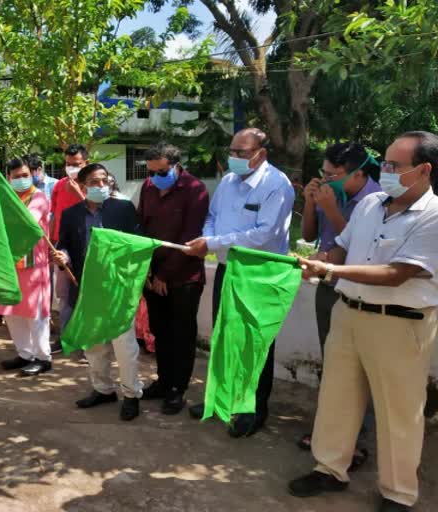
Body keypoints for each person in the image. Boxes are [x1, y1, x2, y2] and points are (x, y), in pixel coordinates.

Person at [288, 131, 438, 512]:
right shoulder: (372, 202)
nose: (384, 171)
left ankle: (398, 493)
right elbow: (342, 242)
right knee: (336, 397)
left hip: (399, 324)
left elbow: (396, 273)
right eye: (384, 163)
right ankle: (329, 468)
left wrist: (329, 268)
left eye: (394, 166)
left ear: (424, 170)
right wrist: (324, 259)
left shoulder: (433, 216)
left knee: (398, 412)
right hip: (349, 313)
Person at [186, 127, 295, 437]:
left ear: (261, 153)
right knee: (225, 338)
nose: (233, 157)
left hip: (259, 274)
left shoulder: (277, 185)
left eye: (241, 153)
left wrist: (214, 242)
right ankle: (221, 401)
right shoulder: (229, 182)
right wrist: (209, 238)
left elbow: (264, 234)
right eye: (232, 151)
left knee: (255, 345)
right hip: (227, 270)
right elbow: (212, 216)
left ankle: (253, 410)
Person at [298, 142, 382, 463]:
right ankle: (331, 431)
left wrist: (332, 210)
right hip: (330, 287)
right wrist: (310, 203)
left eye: (334, 174)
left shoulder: (376, 201)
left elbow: (361, 246)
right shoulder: (327, 193)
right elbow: (308, 236)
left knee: (364, 370)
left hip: (364, 292)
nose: (327, 179)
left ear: (359, 173)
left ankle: (358, 440)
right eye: (324, 172)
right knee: (334, 365)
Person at [52, 163, 144, 421]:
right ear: (82, 187)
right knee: (94, 347)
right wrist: (63, 255)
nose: (101, 185)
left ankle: (131, 395)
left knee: (124, 348)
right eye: (94, 181)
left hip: (118, 290)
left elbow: (138, 243)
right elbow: (66, 244)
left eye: (105, 180)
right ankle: (103, 390)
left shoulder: (123, 209)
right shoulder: (71, 214)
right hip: (87, 290)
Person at [138, 143, 209, 415]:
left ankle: (177, 389)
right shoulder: (148, 187)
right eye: (152, 171)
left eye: (162, 170)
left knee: (181, 335)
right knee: (160, 331)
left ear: (177, 165)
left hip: (183, 277)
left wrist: (165, 275)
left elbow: (191, 237)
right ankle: (163, 381)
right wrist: (149, 272)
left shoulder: (195, 189)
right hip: (154, 275)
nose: (156, 176)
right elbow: (142, 228)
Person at [0, 158, 53, 377]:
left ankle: (43, 357)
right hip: (8, 263)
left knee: (35, 314)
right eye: (15, 176)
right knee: (12, 312)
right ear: (8, 178)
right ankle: (24, 354)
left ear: (32, 175)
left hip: (32, 264)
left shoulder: (38, 197)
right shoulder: (6, 198)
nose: (20, 180)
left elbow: (28, 222)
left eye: (24, 175)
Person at [50, 144, 89, 354]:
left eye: (76, 164)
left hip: (86, 249)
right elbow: (54, 215)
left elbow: (98, 216)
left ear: (86, 164)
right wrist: (50, 241)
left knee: (85, 295)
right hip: (62, 248)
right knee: (64, 296)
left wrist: (79, 193)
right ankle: (66, 339)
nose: (71, 168)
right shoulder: (59, 186)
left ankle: (86, 343)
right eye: (68, 164)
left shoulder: (95, 186)